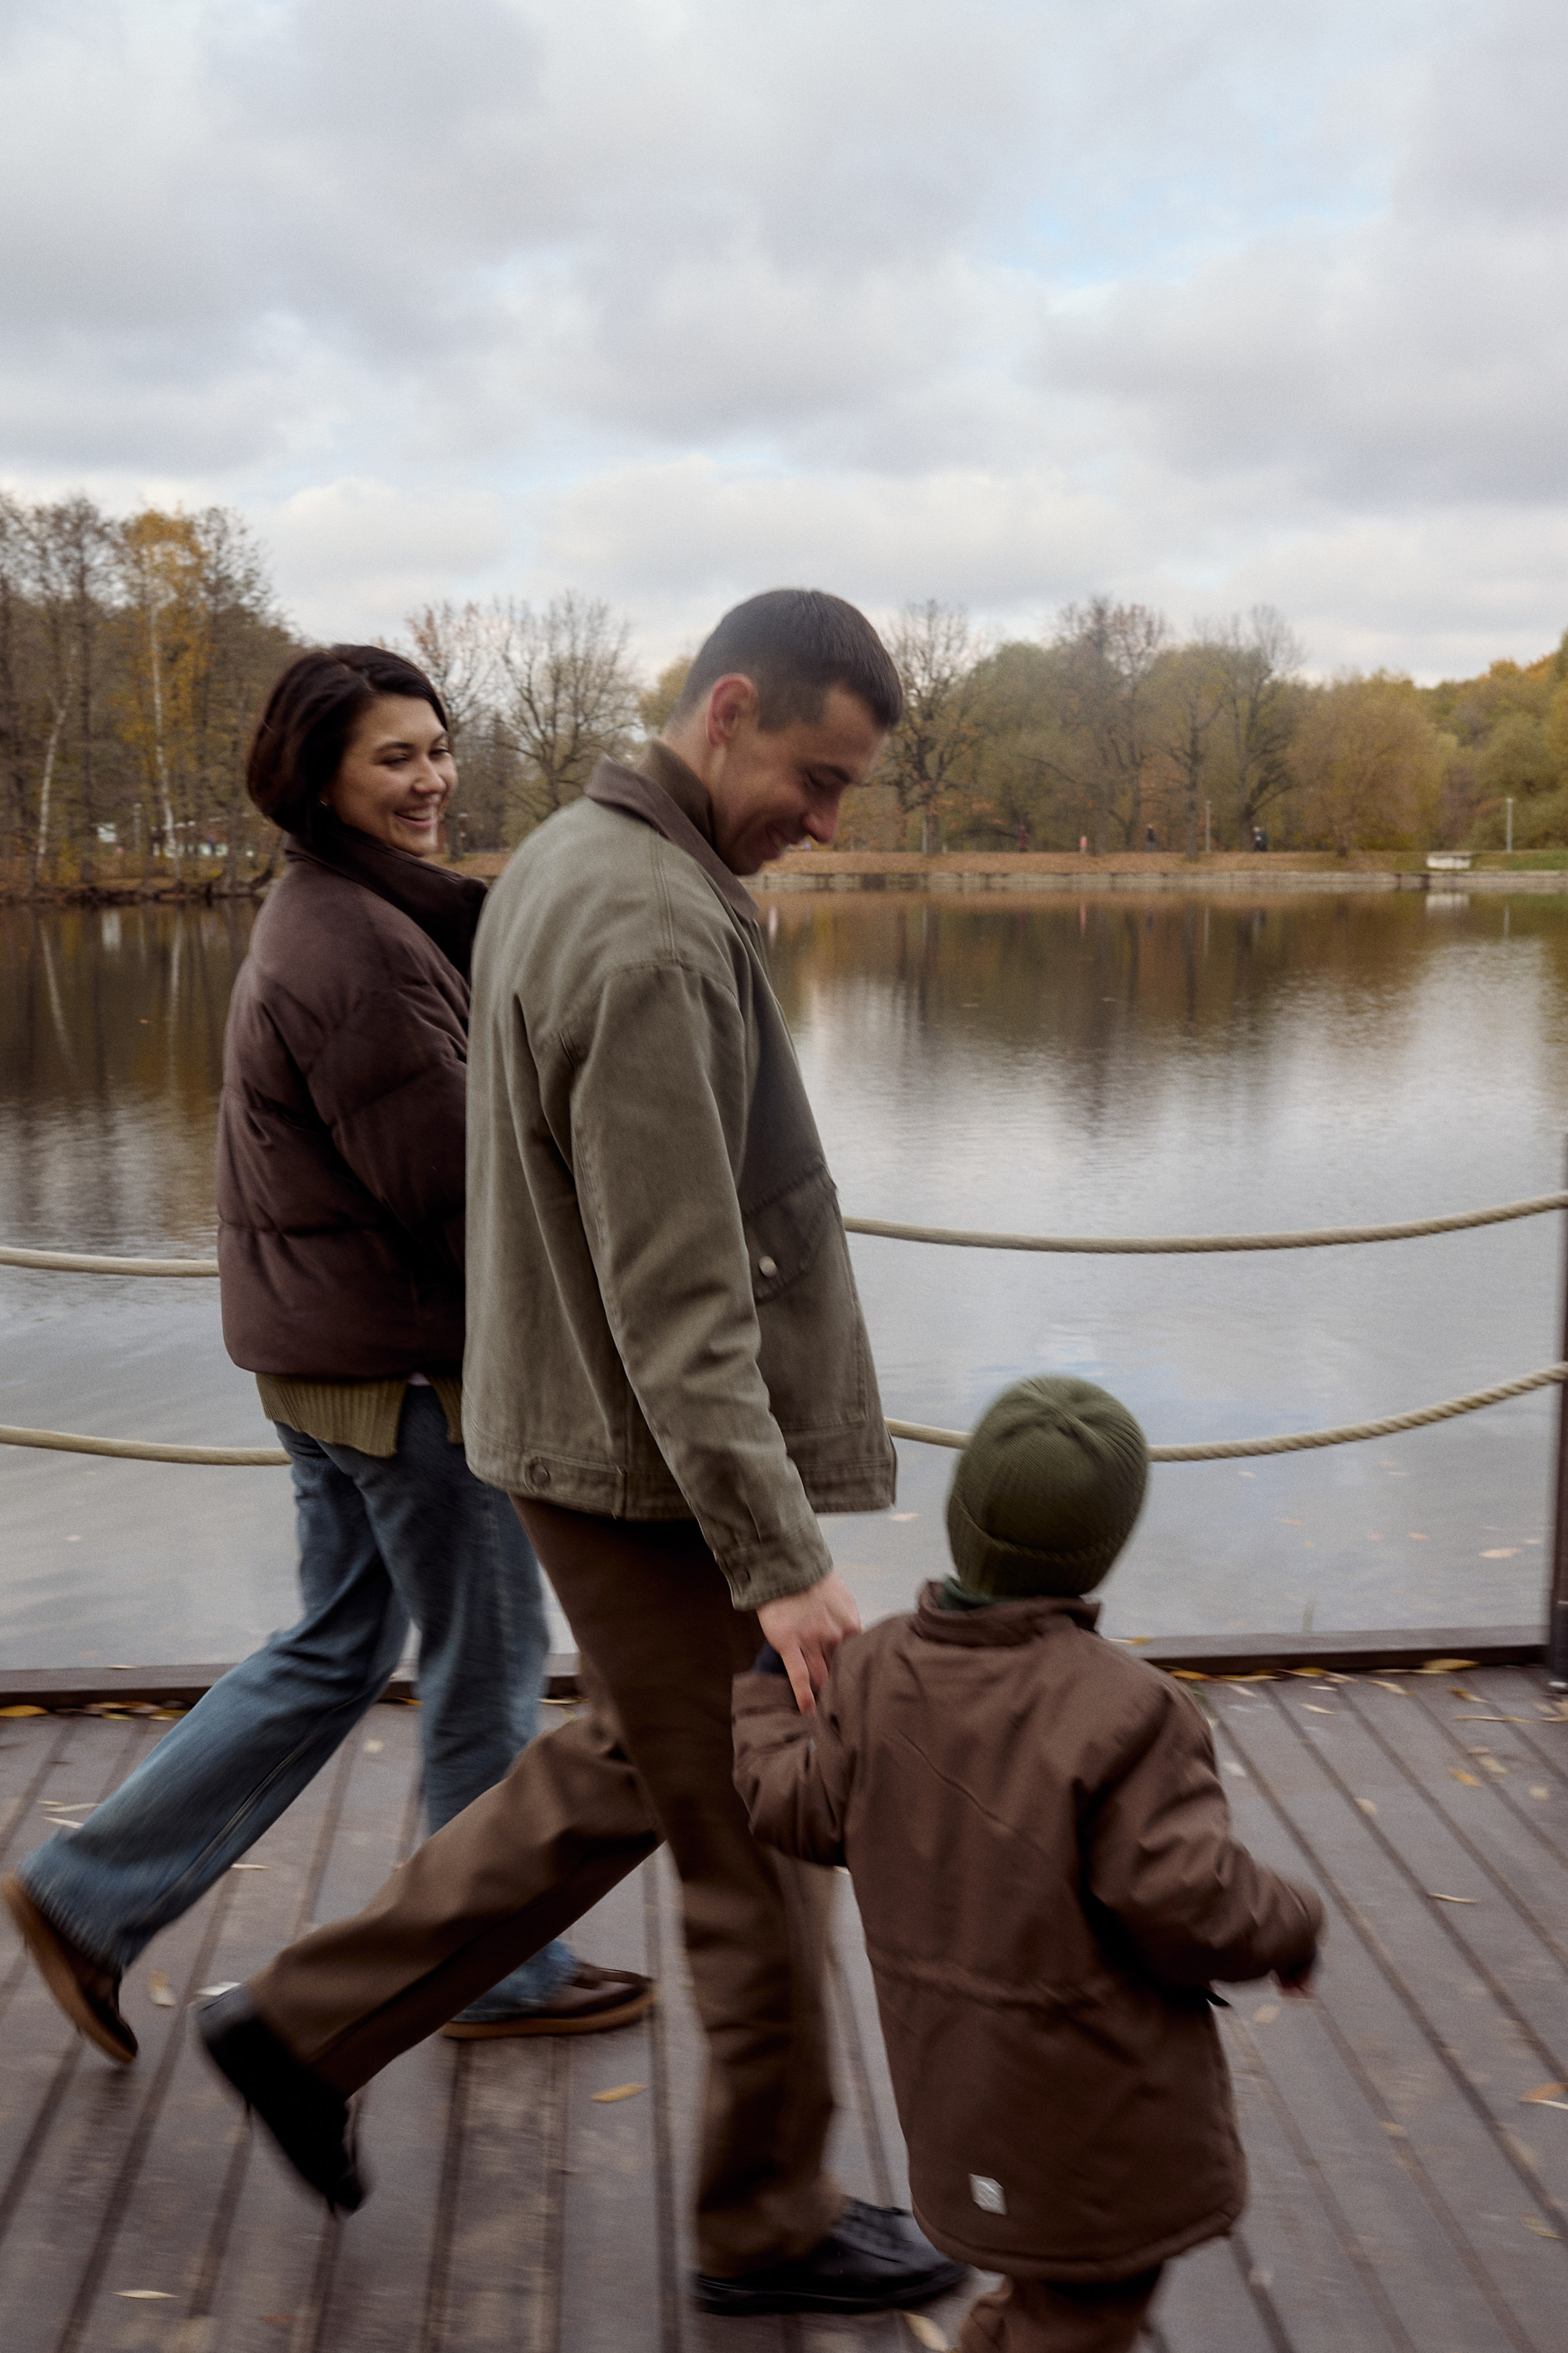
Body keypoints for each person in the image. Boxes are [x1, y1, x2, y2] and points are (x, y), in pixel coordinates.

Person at [197, 590, 966, 2321]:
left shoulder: (576, 854)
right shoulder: (643, 929)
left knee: (634, 1764)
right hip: (646, 1463)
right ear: (732, 707)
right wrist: (782, 1561)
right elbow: (679, 1294)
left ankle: (302, 2025)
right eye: (816, 777)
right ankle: (765, 2219)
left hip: (573, 1428)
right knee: (763, 1834)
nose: (828, 823)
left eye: (850, 797)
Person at [2, 645, 646, 2062]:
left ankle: (85, 1893)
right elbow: (461, 1191)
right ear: (322, 779)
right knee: (483, 1662)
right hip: (404, 1373)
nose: (430, 780)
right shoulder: (350, 946)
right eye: (393, 759)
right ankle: (495, 1966)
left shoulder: (359, 910)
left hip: (333, 1360)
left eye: (436, 748)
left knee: (337, 1642)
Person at [733, 1375, 1324, 2353]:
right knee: (1087, 2311)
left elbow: (796, 1804)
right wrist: (1295, 1920)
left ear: (965, 1523)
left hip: (957, 2089)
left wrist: (762, 1701)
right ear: (1099, 1555)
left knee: (1044, 2286)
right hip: (1097, 2117)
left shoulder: (877, 1668)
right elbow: (1185, 1897)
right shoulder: (1130, 1709)